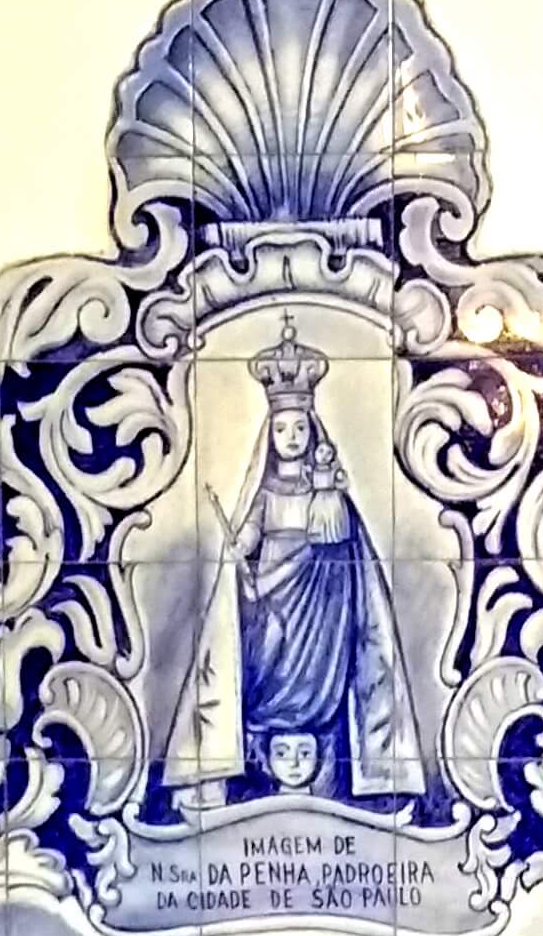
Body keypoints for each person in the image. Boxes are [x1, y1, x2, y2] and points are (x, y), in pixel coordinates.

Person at [162, 316, 425, 806]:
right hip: (272, 606)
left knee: (319, 683)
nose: (291, 436)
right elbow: (247, 536)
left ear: (313, 431)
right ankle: (260, 775)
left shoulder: (331, 497)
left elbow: (353, 564)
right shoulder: (264, 493)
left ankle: (325, 775)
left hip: (324, 620)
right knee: (268, 669)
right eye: (282, 428)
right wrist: (239, 552)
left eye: (300, 427)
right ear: (270, 434)